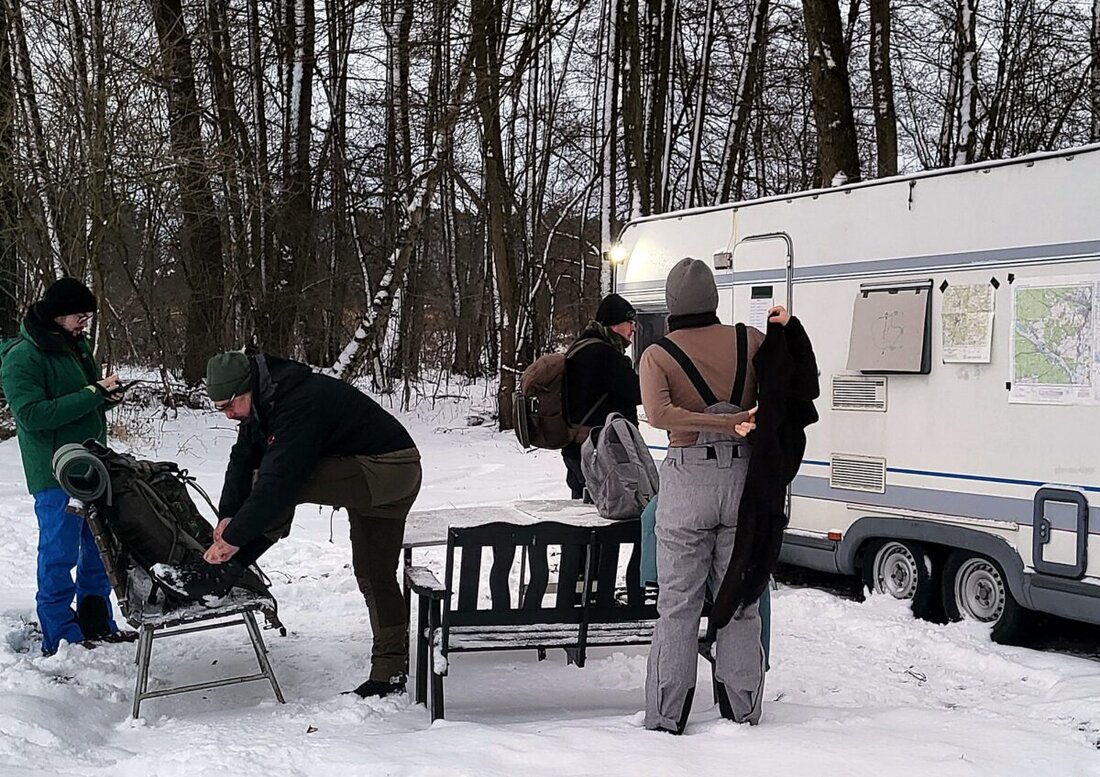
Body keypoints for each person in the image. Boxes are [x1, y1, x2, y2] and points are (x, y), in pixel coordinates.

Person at [198, 351, 422, 699]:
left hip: (390, 470)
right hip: (373, 471)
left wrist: (235, 539)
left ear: (249, 388)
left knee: (281, 482)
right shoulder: (262, 404)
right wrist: (227, 515)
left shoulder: (297, 402)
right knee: (374, 574)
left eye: (231, 404)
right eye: (220, 409)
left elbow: (278, 482)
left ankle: (233, 565)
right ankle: (388, 675)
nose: (229, 414)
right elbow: (242, 459)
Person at [638, 257, 779, 734]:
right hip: (744, 483)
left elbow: (658, 415)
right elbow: (780, 398)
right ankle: (742, 709)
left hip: (687, 479)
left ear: (672, 304)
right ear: (714, 299)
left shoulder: (658, 355)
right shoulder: (751, 341)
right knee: (740, 600)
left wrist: (711, 423)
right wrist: (735, 423)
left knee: (677, 604)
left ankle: (666, 713)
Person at [0, 277, 133, 655]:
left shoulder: (75, 345)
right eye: (80, 316)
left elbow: (84, 399)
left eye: (87, 317)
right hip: (53, 472)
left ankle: (96, 621)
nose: (84, 323)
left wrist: (105, 397)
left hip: (91, 465)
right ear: (58, 315)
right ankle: (58, 633)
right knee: (59, 551)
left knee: (99, 547)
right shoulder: (22, 357)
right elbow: (32, 415)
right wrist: (93, 393)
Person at [561, 293, 642, 500]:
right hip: (599, 453)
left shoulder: (581, 347)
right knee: (603, 518)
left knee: (582, 514)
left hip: (578, 447)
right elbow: (636, 391)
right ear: (614, 324)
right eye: (629, 322)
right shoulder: (605, 355)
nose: (633, 328)